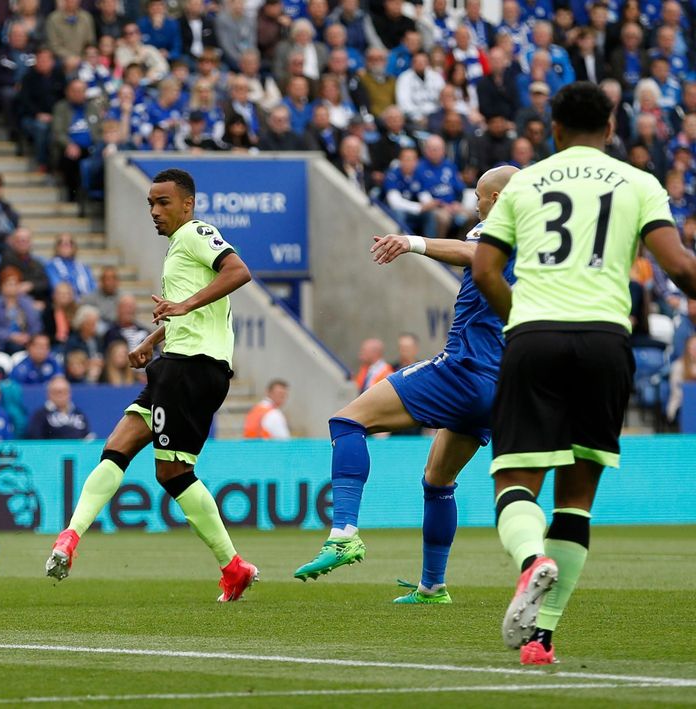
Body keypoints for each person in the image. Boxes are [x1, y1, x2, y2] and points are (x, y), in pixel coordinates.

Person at [471, 82, 696, 665]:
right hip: (605, 341)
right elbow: (677, 266)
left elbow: (486, 266)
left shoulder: (524, 183)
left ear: (553, 129)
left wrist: (519, 319)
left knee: (514, 478)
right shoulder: (640, 183)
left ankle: (530, 563)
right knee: (576, 500)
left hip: (536, 335)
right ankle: (542, 639)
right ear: (613, 127)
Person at [292, 167, 519, 604]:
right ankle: (432, 586)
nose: (474, 205)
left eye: (478, 197)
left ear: (494, 198)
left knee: (347, 421)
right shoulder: (541, 241)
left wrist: (412, 241)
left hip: (463, 369)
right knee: (438, 480)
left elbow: (476, 255)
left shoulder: (499, 225)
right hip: (498, 386)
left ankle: (343, 534)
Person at [46, 168, 258, 603]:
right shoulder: (180, 249)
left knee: (173, 472)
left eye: (163, 202)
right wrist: (150, 339)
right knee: (119, 444)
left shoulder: (198, 232)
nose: (155, 211)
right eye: (150, 203)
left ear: (188, 204)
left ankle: (233, 566)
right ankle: (70, 536)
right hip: (177, 364)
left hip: (193, 368)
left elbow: (239, 271)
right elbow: (191, 312)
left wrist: (183, 304)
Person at [23, 376, 92, 440]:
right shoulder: (40, 415)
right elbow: (35, 439)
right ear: (49, 394)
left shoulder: (78, 414)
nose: (60, 395)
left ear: (69, 393)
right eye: (57, 392)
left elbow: (87, 436)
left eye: (64, 392)